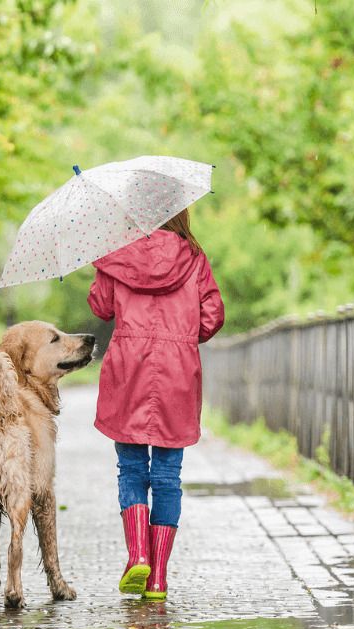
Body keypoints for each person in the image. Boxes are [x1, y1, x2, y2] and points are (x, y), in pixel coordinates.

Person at [87, 208, 225, 601]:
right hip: (177, 371)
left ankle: (138, 556)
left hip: (128, 368)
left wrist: (103, 265)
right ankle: (158, 578)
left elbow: (101, 306)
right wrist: (183, 334)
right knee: (167, 476)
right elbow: (213, 316)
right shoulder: (194, 257)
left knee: (131, 467)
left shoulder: (117, 253)